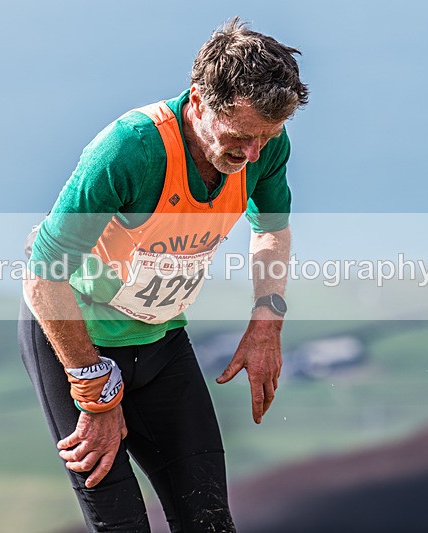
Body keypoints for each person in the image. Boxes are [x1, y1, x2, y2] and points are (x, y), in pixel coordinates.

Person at [18, 17, 307, 532]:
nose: (253, 154)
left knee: (210, 523)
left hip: (160, 339)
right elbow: (43, 276)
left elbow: (270, 229)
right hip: (77, 342)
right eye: (241, 136)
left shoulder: (265, 145)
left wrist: (267, 322)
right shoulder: (131, 150)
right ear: (198, 100)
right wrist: (95, 393)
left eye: (267, 137)